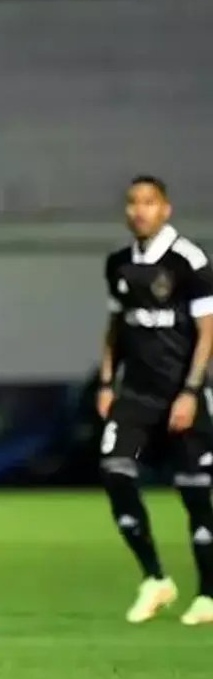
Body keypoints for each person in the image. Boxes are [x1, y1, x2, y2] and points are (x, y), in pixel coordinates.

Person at [98, 174, 213, 626]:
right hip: (136, 395)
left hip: (181, 395)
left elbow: (207, 333)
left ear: (165, 209)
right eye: (132, 202)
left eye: (148, 202)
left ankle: (209, 594)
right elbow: (115, 328)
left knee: (195, 493)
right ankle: (154, 578)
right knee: (115, 470)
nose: (139, 210)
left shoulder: (188, 260)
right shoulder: (118, 265)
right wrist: (106, 382)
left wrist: (191, 392)